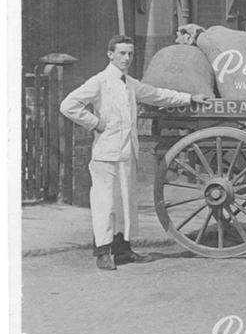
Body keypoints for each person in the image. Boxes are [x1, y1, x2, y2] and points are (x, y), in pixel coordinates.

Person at [60, 35, 212, 271]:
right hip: (105, 154)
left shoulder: (130, 83)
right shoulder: (99, 81)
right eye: (122, 53)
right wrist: (95, 123)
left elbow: (158, 94)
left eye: (130, 54)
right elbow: (68, 105)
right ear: (110, 54)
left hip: (127, 152)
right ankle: (103, 252)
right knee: (105, 203)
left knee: (126, 203)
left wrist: (190, 98)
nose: (127, 58)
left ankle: (122, 249)